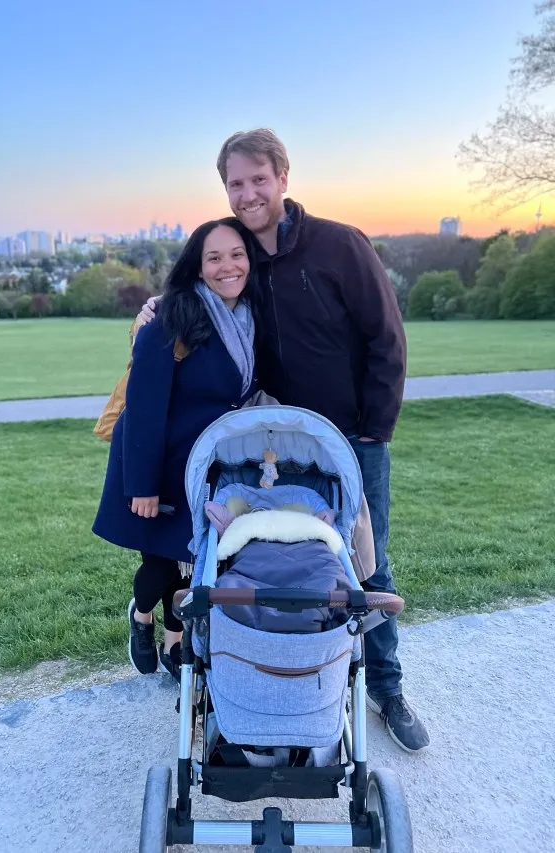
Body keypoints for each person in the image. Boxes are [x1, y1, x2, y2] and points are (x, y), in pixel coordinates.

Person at [136, 129, 430, 752]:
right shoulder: (241, 259)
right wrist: (160, 306)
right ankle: (275, 677)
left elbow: (387, 340)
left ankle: (385, 685)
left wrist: (374, 429)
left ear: (284, 178)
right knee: (265, 557)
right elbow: (207, 291)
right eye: (235, 184)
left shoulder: (339, 245)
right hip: (277, 440)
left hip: (349, 437)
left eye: (257, 180)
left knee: (364, 563)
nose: (247, 194)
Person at [93, 218, 258, 683]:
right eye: (214, 257)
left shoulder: (251, 318)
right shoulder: (170, 318)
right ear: (198, 266)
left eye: (237, 254)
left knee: (195, 558)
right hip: (160, 462)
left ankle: (174, 639)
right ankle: (141, 616)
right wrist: (141, 485)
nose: (228, 266)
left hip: (210, 465)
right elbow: (144, 409)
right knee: (161, 564)